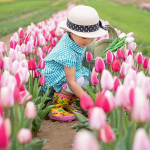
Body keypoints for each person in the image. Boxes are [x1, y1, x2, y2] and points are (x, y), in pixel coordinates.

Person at [41, 5, 108, 121]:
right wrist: (88, 100)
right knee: (79, 81)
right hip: (51, 77)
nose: (88, 41)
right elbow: (71, 82)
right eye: (84, 37)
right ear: (71, 32)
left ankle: (66, 104)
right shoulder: (68, 53)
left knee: (85, 78)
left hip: (63, 71)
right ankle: (56, 106)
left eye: (91, 37)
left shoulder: (74, 40)